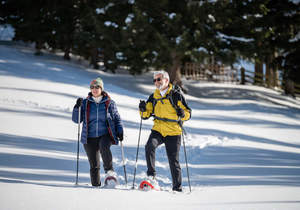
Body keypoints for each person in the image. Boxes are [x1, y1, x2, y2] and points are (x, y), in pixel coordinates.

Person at [138, 70, 191, 192]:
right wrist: (142, 109)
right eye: (154, 80)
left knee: (173, 160)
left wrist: (182, 114)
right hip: (158, 130)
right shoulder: (154, 96)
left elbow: (188, 113)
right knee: (149, 147)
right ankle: (151, 176)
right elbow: (145, 115)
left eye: (159, 79)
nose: (156, 82)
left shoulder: (176, 95)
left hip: (173, 132)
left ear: (166, 80)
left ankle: (177, 188)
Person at [72, 77, 123, 187]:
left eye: (97, 87)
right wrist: (77, 107)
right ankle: (96, 186)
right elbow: (77, 120)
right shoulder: (85, 103)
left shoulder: (109, 103)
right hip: (89, 137)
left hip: (105, 134)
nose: (94, 89)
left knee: (104, 146)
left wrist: (120, 130)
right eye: (92, 87)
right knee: (94, 165)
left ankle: (110, 172)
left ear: (101, 88)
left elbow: (117, 118)